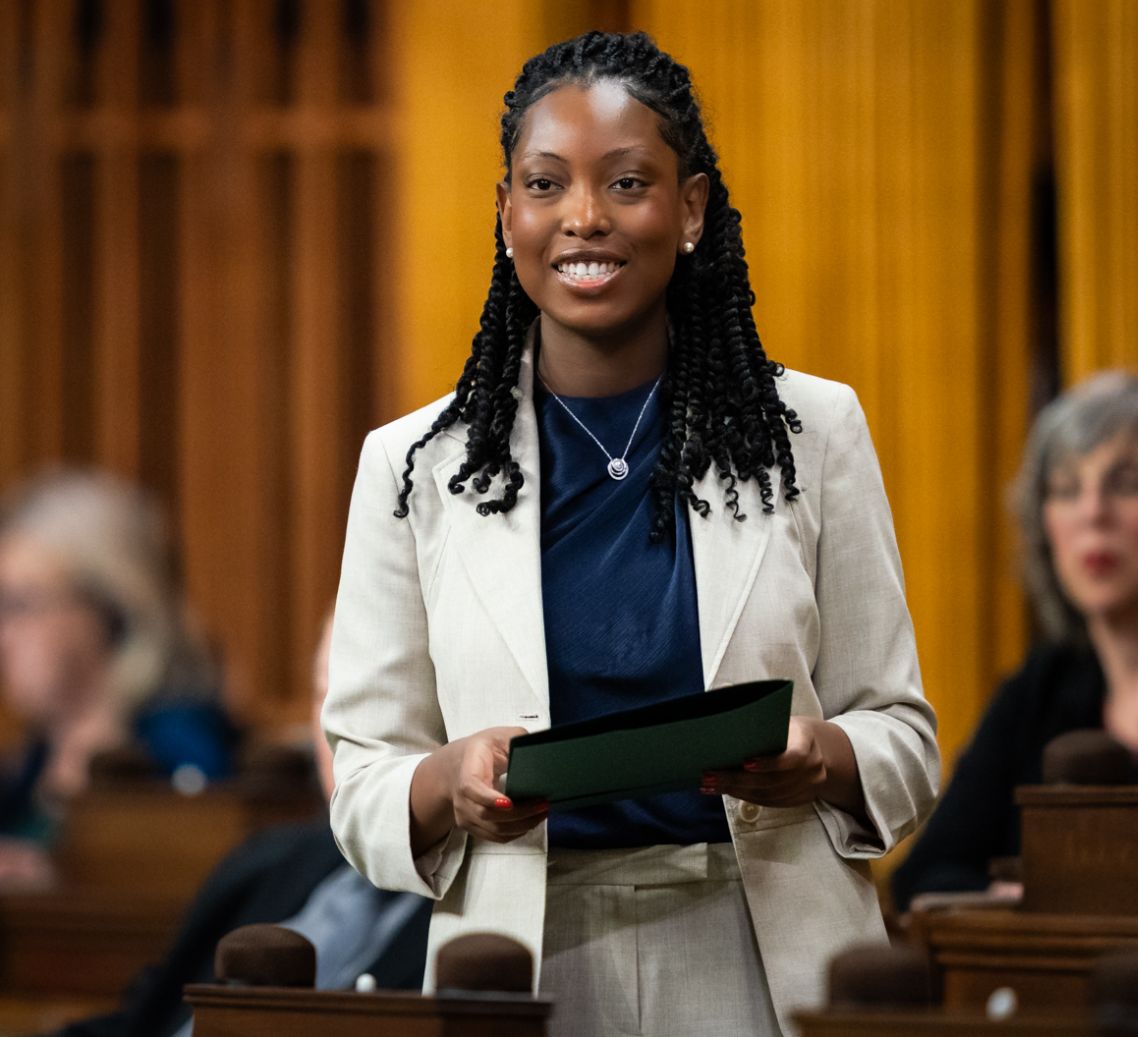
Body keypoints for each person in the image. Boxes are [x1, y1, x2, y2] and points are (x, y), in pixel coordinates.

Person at [323, 31, 939, 1037]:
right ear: (505, 211)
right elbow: (361, 781)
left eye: (626, 182)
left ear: (690, 208)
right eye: (545, 183)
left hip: (758, 943)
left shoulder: (815, 432)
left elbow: (904, 740)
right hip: (521, 960)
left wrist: (819, 753)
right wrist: (447, 779)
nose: (582, 217)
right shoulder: (410, 467)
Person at [53, 611, 431, 1037]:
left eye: (365, 703)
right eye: (326, 698)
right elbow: (139, 1022)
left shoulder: (480, 920)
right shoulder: (263, 862)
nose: (338, 735)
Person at [891, 371, 1138, 914]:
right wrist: (1018, 901)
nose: (1092, 512)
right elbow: (923, 877)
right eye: (1065, 489)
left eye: (1126, 483)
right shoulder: (1039, 690)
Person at [0, 469, 236, 887]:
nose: (4, 637)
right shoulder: (27, 768)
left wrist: (56, 878)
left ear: (109, 611)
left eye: (18, 605)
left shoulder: (184, 750)